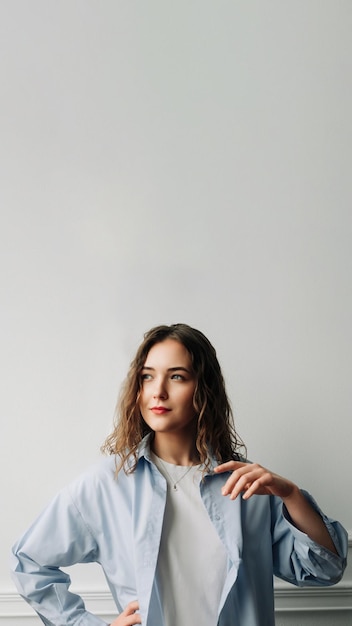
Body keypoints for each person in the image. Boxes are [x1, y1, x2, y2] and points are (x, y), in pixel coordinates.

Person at [11, 323, 348, 626]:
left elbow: (325, 570)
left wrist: (290, 494)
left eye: (176, 376)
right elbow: (30, 564)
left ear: (204, 390)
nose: (158, 391)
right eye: (147, 376)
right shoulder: (107, 484)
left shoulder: (247, 486)